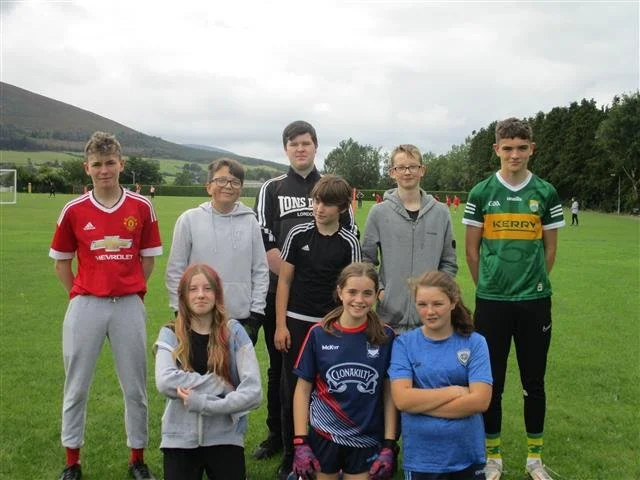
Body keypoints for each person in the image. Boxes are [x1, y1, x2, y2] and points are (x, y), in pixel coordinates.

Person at [49, 131, 162, 480]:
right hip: (86, 305)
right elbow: (61, 263)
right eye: (97, 164)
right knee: (76, 386)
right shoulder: (73, 210)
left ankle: (137, 458)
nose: (104, 170)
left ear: (121, 164)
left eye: (110, 163)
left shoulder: (141, 207)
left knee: (135, 387)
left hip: (128, 305)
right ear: (87, 168)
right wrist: (81, 293)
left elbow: (147, 259)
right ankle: (72, 461)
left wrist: (130, 289)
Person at [252, 120, 357, 478]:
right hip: (284, 296)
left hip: (325, 307)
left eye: (306, 143)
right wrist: (292, 273)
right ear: (286, 148)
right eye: (293, 143)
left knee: (324, 376)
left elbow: (350, 235)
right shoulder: (272, 187)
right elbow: (265, 236)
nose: (300, 149)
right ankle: (279, 438)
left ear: (315, 146)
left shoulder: (331, 186)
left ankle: (323, 439)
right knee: (281, 371)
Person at [462, 117, 565, 480]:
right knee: (491, 382)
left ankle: (534, 459)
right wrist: (489, 287)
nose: (515, 154)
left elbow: (549, 250)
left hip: (534, 302)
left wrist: (531, 284)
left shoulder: (546, 193)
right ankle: (493, 458)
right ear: (497, 150)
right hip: (492, 303)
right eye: (508, 148)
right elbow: (471, 252)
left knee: (533, 382)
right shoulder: (481, 193)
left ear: (531, 149)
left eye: (522, 148)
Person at [275, 174, 361, 479]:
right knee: (292, 390)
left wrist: (346, 328)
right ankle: (291, 456)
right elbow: (284, 282)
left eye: (327, 203)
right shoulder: (297, 234)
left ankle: (331, 453)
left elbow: (352, 288)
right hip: (297, 323)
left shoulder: (349, 241)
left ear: (342, 207)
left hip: (331, 327)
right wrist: (281, 325)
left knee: (329, 392)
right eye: (316, 201)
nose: (319, 208)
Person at [155, 264, 262, 480]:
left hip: (225, 436)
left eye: (207, 288)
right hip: (179, 438)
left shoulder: (234, 333)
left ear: (217, 294)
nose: (201, 295)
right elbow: (165, 381)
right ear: (183, 296)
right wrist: (219, 384)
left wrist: (205, 404)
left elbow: (254, 393)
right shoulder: (170, 333)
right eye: (193, 289)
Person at [292, 262, 397, 480]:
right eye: (352, 292)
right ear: (340, 292)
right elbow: (302, 390)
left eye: (367, 293)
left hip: (366, 437)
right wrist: (300, 441)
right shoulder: (319, 333)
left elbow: (389, 394)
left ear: (376, 295)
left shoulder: (385, 336)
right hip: (324, 434)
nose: (359, 300)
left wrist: (389, 443)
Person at [389, 271, 493, 479]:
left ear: (453, 302)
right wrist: (455, 391)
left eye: (437, 304)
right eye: (422, 304)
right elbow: (402, 400)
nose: (429, 312)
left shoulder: (475, 342)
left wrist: (419, 406)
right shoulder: (404, 344)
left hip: (467, 455)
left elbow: (480, 401)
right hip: (422, 459)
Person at [165, 158, 269, 345]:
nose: (228, 186)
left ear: (240, 188)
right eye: (221, 180)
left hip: (240, 318)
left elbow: (260, 270)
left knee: (237, 367)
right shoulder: (188, 220)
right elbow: (175, 270)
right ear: (209, 186)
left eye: (235, 182)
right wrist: (179, 311)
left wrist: (256, 315)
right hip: (198, 316)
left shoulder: (251, 221)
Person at [362, 143, 458, 333]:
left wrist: (437, 295)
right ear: (392, 172)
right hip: (388, 322)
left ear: (422, 170)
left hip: (430, 321)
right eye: (401, 167)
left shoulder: (441, 213)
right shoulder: (378, 213)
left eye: (413, 166)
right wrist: (381, 291)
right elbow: (366, 260)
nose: (407, 172)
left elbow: (449, 262)